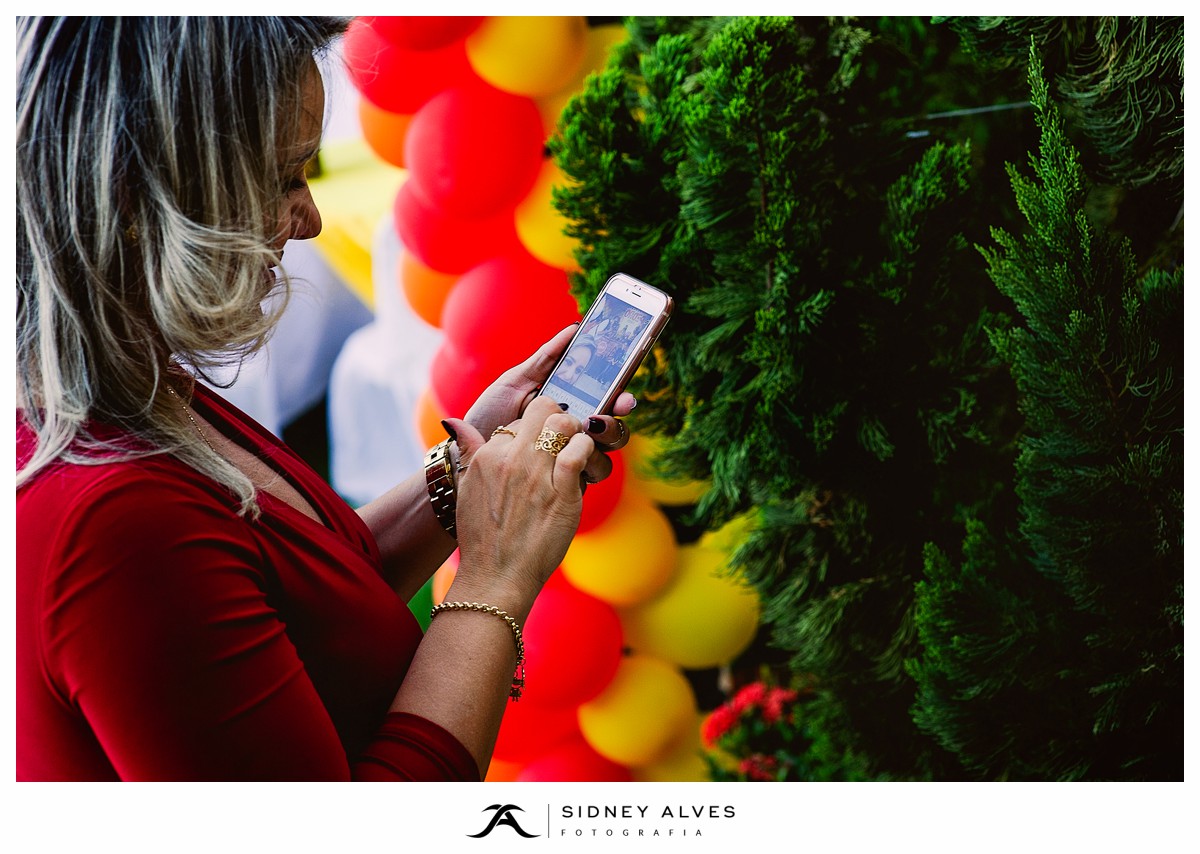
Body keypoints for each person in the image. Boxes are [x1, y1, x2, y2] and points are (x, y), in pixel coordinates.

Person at [15, 16, 634, 781]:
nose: (309, 219)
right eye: (281, 179)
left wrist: (464, 471)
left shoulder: (126, 383)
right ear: (140, 201)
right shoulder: (114, 526)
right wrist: (497, 578)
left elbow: (310, 600)